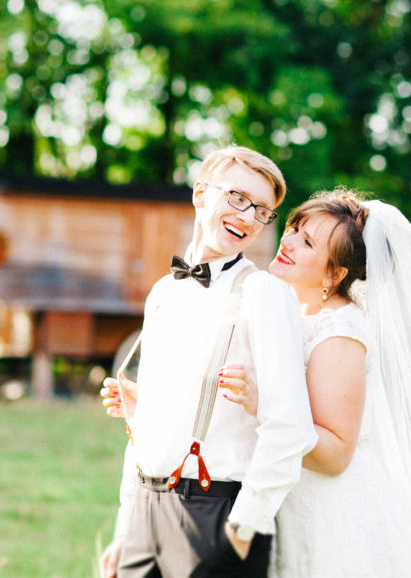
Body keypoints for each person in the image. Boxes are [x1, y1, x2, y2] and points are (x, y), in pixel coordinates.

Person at [217, 189, 411, 577]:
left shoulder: (339, 332)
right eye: (294, 228)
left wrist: (262, 403)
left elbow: (336, 454)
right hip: (283, 496)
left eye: (307, 243)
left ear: (335, 274)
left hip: (328, 512)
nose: (287, 242)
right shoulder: (290, 312)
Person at [99, 146, 317, 578]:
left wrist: (244, 524)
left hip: (216, 515)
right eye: (237, 197)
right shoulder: (163, 292)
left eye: (261, 210)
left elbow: (290, 426)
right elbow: (144, 428)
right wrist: (127, 528)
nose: (247, 216)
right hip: (145, 512)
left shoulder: (264, 294)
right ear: (201, 194)